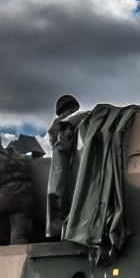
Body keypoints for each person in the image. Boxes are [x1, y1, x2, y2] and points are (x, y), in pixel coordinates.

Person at [46, 94, 82, 237]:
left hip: (66, 168)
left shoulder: (60, 124)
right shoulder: (69, 122)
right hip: (73, 167)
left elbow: (60, 146)